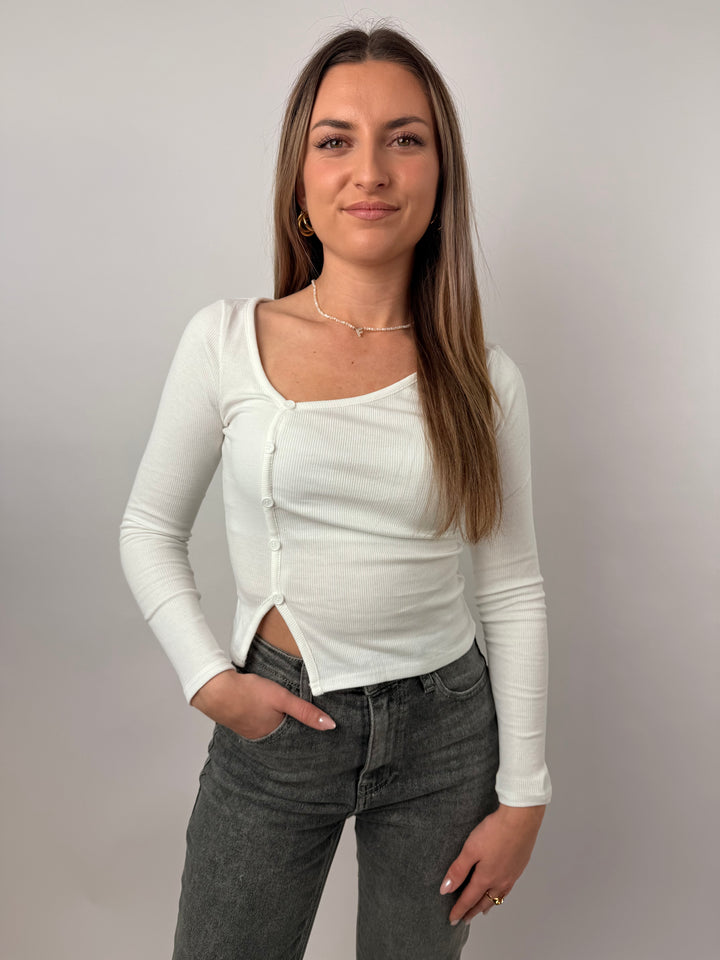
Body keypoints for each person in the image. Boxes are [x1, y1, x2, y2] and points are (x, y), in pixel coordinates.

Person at [119, 22, 551, 960]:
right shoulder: (227, 340)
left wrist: (525, 798)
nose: (371, 171)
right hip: (278, 724)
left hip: (446, 738)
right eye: (335, 140)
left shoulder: (484, 380)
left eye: (405, 138)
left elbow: (511, 587)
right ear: (300, 180)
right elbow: (148, 527)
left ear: (440, 174)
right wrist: (211, 682)